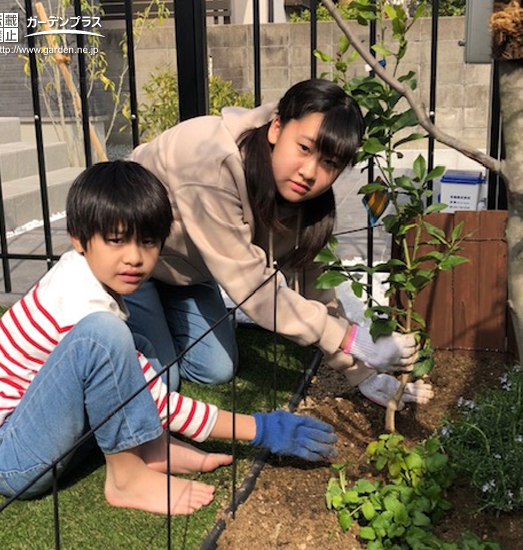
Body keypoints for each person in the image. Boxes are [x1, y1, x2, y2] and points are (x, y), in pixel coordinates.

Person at [0, 161, 338, 517]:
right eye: (116, 240)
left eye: (148, 242)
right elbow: (156, 401)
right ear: (79, 238)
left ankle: (148, 447)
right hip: (7, 456)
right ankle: (127, 479)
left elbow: (132, 383)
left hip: (34, 424)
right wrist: (262, 428)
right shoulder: (79, 302)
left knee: (133, 351)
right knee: (106, 336)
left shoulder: (85, 273)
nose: (134, 257)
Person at [126, 78, 433, 408]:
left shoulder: (302, 201)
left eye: (329, 163)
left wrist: (363, 373)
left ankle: (157, 322)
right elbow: (255, 290)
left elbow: (316, 287)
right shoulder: (210, 163)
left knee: (216, 369)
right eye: (304, 148)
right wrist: (353, 340)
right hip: (130, 267)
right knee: (160, 379)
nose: (310, 172)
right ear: (276, 127)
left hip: (188, 272)